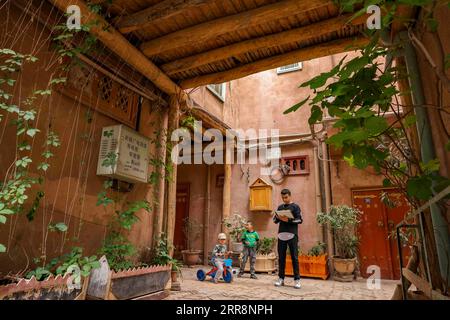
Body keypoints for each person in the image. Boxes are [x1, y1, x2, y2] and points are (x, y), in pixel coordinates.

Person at [273, 188, 303, 289]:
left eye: (286, 197)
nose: (284, 199)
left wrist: (288, 220)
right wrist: (278, 217)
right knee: (281, 258)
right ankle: (281, 278)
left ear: (290, 196)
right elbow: (275, 221)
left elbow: (299, 220)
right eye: (282, 198)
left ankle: (297, 280)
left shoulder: (295, 207)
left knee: (294, 257)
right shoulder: (280, 207)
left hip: (292, 235)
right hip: (281, 235)